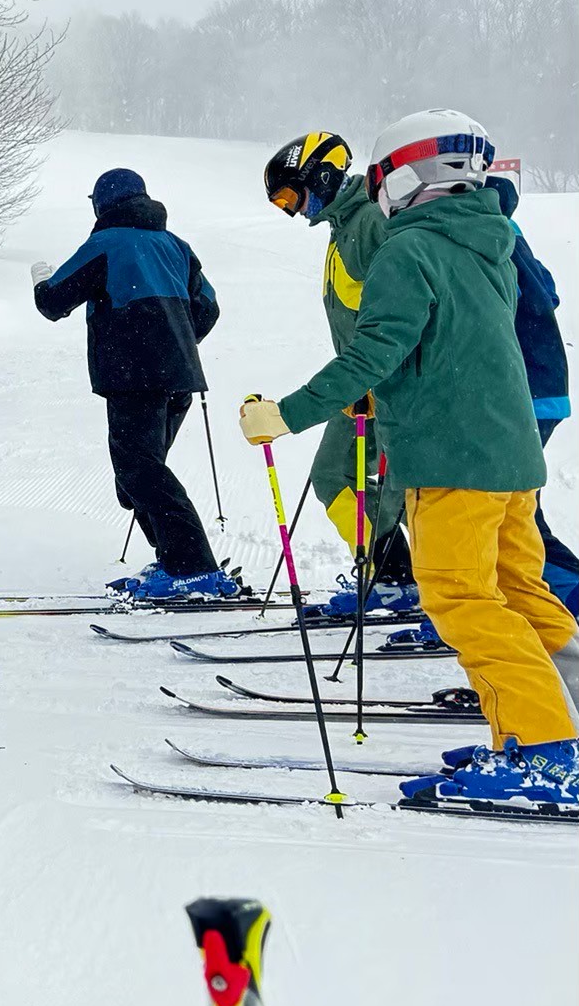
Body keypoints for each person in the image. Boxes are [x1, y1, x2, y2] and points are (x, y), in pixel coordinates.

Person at [240, 112, 579, 810]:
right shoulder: (488, 240)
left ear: (405, 175)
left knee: (461, 598)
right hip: (508, 456)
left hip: (452, 457)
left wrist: (286, 414)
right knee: (520, 594)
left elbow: (373, 352)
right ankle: (544, 730)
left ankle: (548, 752)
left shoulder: (407, 249)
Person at [33, 166, 230, 601]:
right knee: (138, 476)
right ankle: (175, 560)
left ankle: (193, 568)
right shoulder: (177, 246)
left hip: (133, 375)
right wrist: (173, 340)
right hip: (178, 377)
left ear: (102, 204)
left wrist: (38, 279)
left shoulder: (107, 242)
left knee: (141, 471)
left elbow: (53, 301)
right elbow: (209, 308)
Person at [262, 131, 417, 617]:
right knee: (335, 476)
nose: (291, 211)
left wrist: (374, 375)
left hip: (387, 384)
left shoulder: (370, 222)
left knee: (392, 483)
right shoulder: (343, 229)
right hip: (363, 388)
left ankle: (402, 578)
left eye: (291, 196)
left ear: (322, 177)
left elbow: (400, 308)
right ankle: (394, 574)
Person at [482, 160, 579, 602]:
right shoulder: (504, 225)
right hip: (540, 385)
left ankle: (562, 594)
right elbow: (548, 289)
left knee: (508, 511)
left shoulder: (487, 229)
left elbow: (527, 296)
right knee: (513, 508)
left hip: (523, 388)